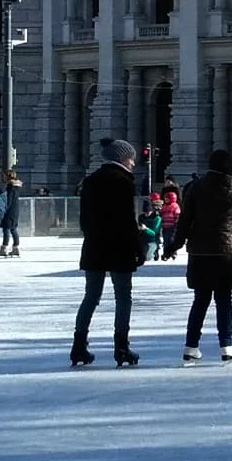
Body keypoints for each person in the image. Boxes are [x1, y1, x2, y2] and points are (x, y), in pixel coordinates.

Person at [165, 148, 232, 363]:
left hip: (199, 251)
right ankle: (226, 345)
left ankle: (191, 346)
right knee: (224, 300)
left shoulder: (196, 187)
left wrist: (174, 246)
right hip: (224, 252)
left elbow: (185, 221)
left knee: (200, 299)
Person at [73, 140, 146, 367]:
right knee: (123, 297)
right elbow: (126, 220)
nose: (134, 162)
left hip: (94, 247)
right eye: (131, 158)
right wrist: (138, 248)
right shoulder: (123, 181)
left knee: (91, 297)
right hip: (119, 248)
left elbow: (84, 220)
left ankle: (78, 346)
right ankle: (121, 347)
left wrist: (93, 237)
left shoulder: (91, 180)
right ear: (122, 158)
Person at [0, 168, 25, 256]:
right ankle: (16, 247)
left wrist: (4, 209)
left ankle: (4, 248)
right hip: (15, 210)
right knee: (13, 229)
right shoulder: (17, 187)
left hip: (9, 211)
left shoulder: (10, 187)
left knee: (6, 229)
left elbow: (9, 200)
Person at [140, 197, 166, 262]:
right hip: (142, 239)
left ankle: (155, 253)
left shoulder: (157, 218)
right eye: (145, 213)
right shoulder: (141, 217)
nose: (146, 214)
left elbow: (154, 233)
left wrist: (146, 229)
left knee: (147, 258)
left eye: (148, 212)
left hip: (153, 240)